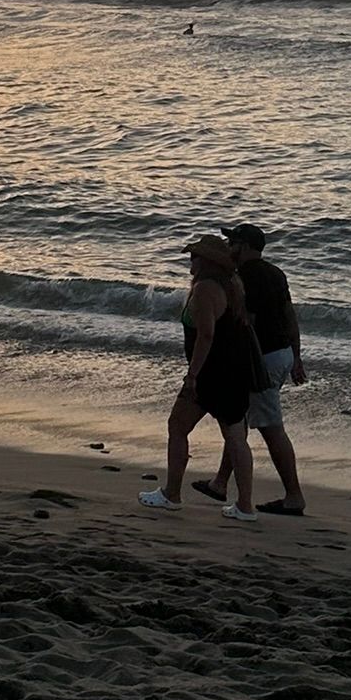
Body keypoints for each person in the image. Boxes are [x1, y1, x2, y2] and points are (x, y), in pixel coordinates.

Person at [139, 236, 258, 524]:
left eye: (194, 257)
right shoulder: (233, 286)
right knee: (235, 436)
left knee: (177, 426)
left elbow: (206, 334)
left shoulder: (205, 289)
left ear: (205, 262)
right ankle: (245, 506)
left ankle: (172, 494)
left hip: (211, 373)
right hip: (235, 371)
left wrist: (193, 374)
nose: (190, 262)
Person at [195, 223, 307, 516]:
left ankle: (294, 496)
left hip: (262, 358)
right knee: (239, 418)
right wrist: (296, 357)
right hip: (280, 353)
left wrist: (232, 360)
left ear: (243, 247)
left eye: (231, 242)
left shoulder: (243, 277)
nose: (227, 247)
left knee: (271, 428)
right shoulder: (276, 273)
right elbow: (289, 316)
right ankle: (220, 483)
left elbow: (247, 324)